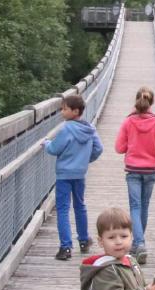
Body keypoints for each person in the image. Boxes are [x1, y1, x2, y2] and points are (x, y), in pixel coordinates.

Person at [43, 94, 103, 261]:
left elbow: (54, 149)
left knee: (63, 209)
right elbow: (98, 149)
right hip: (80, 174)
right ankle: (83, 241)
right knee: (80, 205)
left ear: (75, 111)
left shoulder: (66, 129)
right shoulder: (90, 129)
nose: (62, 111)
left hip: (64, 174)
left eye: (64, 109)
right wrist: (84, 160)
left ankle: (65, 247)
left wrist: (46, 143)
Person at [115, 86, 155, 265]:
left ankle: (139, 244)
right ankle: (139, 243)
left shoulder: (128, 122)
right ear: (151, 103)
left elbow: (119, 148)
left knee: (135, 207)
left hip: (133, 169)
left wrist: (132, 145)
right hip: (150, 170)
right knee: (144, 206)